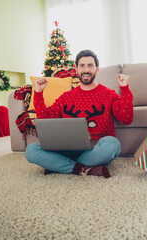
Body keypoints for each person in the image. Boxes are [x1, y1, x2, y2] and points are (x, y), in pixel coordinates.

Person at [25, 50, 134, 178]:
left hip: (95, 150)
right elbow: (45, 119)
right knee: (31, 151)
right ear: (76, 69)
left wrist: (125, 89)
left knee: (113, 144)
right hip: (66, 149)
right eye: (82, 66)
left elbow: (126, 119)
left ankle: (59, 166)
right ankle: (85, 169)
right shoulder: (66, 97)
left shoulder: (109, 94)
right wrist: (38, 93)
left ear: (97, 69)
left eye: (90, 65)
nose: (86, 70)